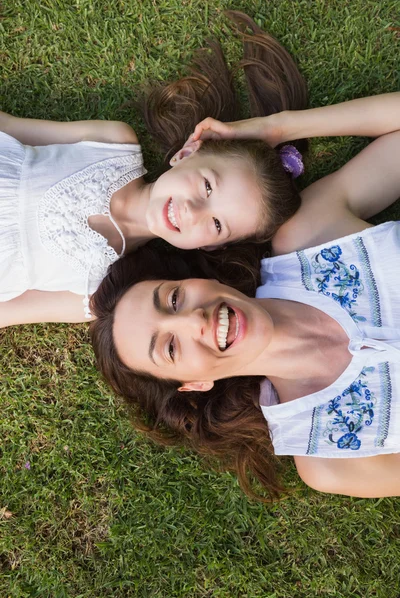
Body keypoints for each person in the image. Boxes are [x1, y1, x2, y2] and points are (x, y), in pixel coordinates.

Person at [90, 92, 400, 501]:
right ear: (195, 384)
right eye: (169, 348)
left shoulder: (310, 236)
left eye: (174, 300)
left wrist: (277, 129)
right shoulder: (329, 458)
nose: (193, 321)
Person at [0, 11, 308, 328]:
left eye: (217, 223)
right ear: (187, 153)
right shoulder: (113, 145)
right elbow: (10, 128)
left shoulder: (100, 293)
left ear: (211, 245)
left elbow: (7, 313)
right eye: (207, 187)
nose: (192, 210)